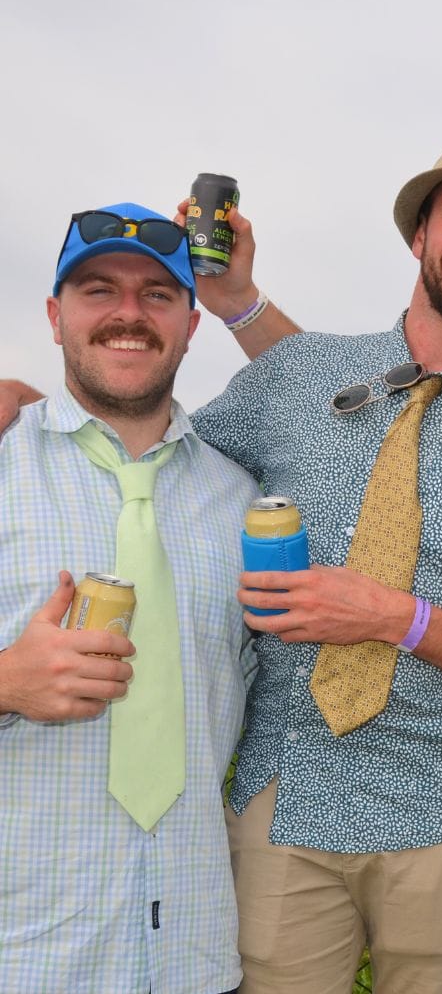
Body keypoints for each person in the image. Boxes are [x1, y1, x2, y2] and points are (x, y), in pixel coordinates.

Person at [185, 130, 442, 994]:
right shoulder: (302, 373)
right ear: (419, 234)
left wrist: (396, 619)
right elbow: (163, 463)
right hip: (285, 803)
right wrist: (35, 407)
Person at [0, 203, 259, 993]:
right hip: (28, 954)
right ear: (55, 317)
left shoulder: (244, 502)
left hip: (193, 953)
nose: (128, 313)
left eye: (157, 294)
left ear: (190, 325)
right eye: (98, 290)